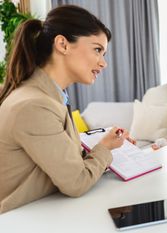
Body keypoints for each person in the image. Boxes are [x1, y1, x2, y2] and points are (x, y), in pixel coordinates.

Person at [0, 5, 133, 213]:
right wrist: (105, 149)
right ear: (62, 44)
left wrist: (109, 145)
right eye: (97, 50)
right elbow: (77, 182)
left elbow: (62, 160)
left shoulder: (49, 97)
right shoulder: (34, 106)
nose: (104, 63)